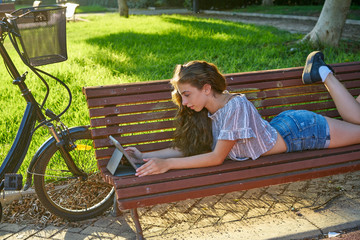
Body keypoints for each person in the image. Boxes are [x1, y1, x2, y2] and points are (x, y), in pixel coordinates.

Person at [126, 51, 360, 177]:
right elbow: (189, 149)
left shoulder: (235, 107)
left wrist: (167, 165)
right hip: (286, 129)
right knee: (356, 118)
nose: (184, 102)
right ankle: (324, 73)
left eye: (187, 94)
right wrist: (143, 155)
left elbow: (216, 158)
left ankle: (323, 72)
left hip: (302, 132)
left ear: (206, 89)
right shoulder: (206, 111)